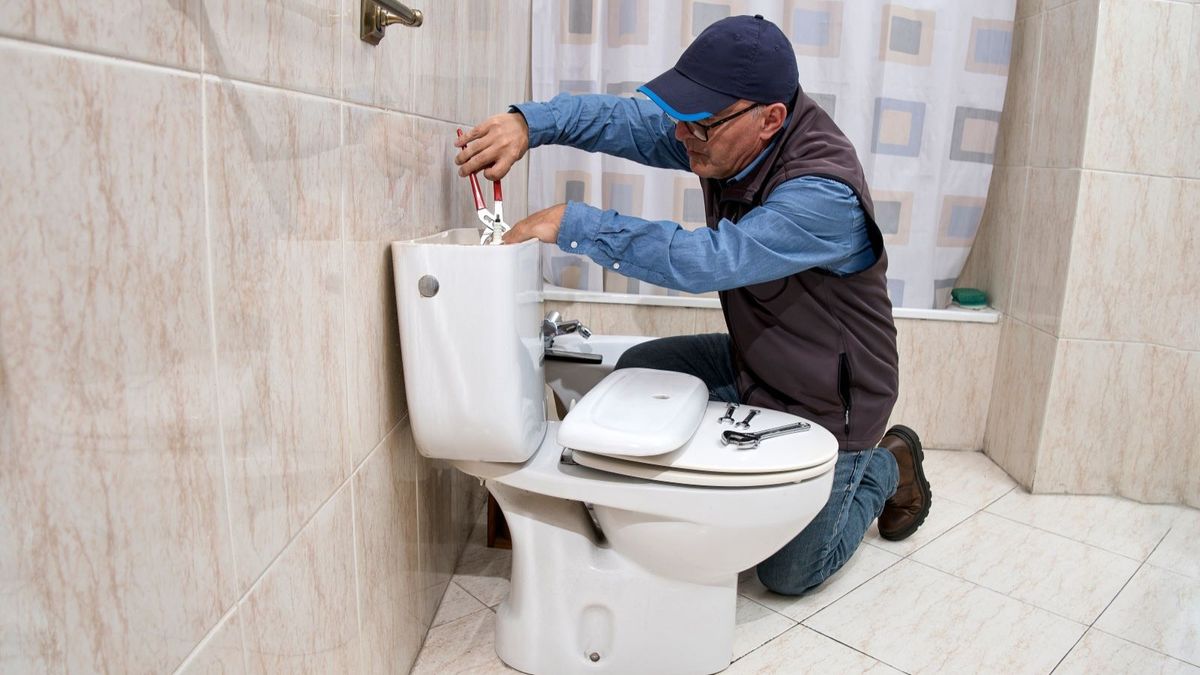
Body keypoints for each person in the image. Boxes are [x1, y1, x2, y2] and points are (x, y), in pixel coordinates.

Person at [454, 14, 932, 596]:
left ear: (770, 120)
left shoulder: (822, 194)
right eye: (684, 121)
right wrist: (529, 123)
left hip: (833, 402)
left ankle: (887, 464)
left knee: (787, 575)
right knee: (634, 375)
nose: (682, 137)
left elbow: (709, 260)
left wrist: (572, 223)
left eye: (698, 127)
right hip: (758, 359)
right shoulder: (725, 136)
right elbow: (626, 121)